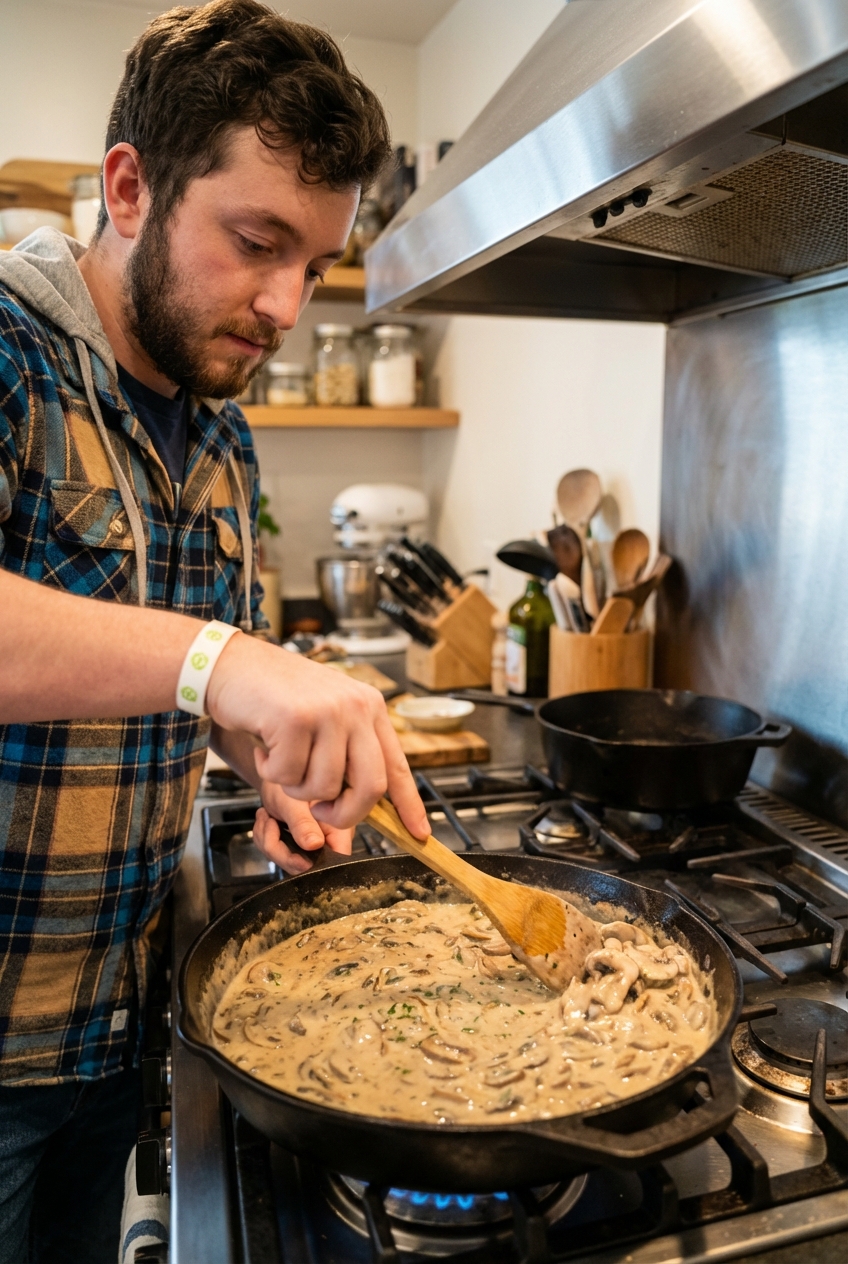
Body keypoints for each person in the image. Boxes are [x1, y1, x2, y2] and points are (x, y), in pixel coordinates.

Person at [0, 4, 428, 1260]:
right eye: (257, 242)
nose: (288, 303)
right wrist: (226, 661)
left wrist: (271, 761)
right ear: (129, 188)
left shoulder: (223, 428)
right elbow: (202, 659)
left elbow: (186, 691)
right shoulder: (14, 363)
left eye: (316, 263)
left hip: (123, 1021)